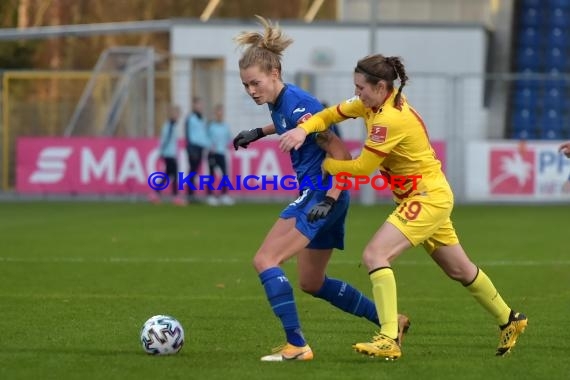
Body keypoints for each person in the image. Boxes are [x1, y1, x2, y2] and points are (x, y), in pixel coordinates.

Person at [279, 54, 528, 360]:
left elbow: (362, 168)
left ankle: (388, 337)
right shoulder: (374, 103)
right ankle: (510, 319)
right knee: (460, 269)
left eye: (361, 87)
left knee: (375, 254)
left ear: (381, 86)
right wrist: (304, 130)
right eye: (355, 86)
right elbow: (330, 114)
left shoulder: (388, 120)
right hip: (427, 194)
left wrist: (329, 164)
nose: (356, 93)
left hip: (425, 197)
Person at [232, 17, 410, 362]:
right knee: (312, 282)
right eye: (246, 86)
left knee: (265, 260)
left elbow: (341, 152)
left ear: (274, 74)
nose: (252, 90)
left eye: (255, 83)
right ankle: (392, 322)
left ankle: (297, 346)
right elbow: (289, 121)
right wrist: (259, 131)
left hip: (321, 194)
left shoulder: (299, 104)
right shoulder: (282, 102)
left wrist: (327, 200)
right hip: (327, 198)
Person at [149, 105, 185, 206]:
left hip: (171, 154)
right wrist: (162, 152)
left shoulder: (172, 126)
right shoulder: (169, 126)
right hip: (169, 154)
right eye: (176, 114)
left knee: (168, 175)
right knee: (173, 175)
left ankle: (155, 193)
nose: (177, 116)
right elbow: (164, 140)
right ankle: (175, 197)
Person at [206, 103, 235, 206]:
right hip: (212, 153)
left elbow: (229, 139)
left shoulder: (225, 126)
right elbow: (207, 138)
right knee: (211, 175)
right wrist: (211, 146)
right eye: (218, 112)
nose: (220, 114)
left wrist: (228, 145)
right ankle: (210, 196)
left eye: (221, 112)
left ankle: (224, 195)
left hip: (221, 153)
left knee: (224, 174)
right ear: (215, 113)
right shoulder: (211, 126)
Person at [184, 96, 210, 202]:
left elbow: (203, 134)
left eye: (201, 104)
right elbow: (188, 135)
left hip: (201, 148)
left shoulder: (203, 119)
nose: (199, 106)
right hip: (193, 147)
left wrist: (208, 144)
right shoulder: (190, 118)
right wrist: (190, 148)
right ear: (193, 105)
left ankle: (192, 194)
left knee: (195, 171)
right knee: (192, 171)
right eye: (197, 104)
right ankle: (189, 194)